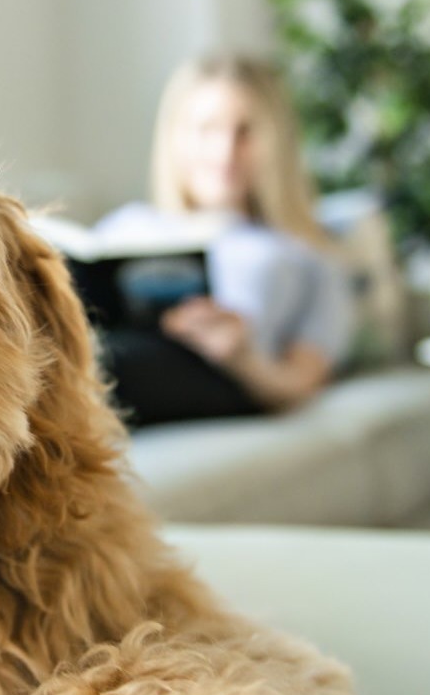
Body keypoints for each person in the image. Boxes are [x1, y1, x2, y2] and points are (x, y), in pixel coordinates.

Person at [95, 54, 353, 426]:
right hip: (101, 352)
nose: (225, 151)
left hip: (216, 375)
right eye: (207, 129)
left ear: (276, 141)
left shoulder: (304, 253)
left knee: (98, 364)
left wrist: (242, 357)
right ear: (175, 137)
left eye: (245, 131)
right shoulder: (124, 226)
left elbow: (301, 382)